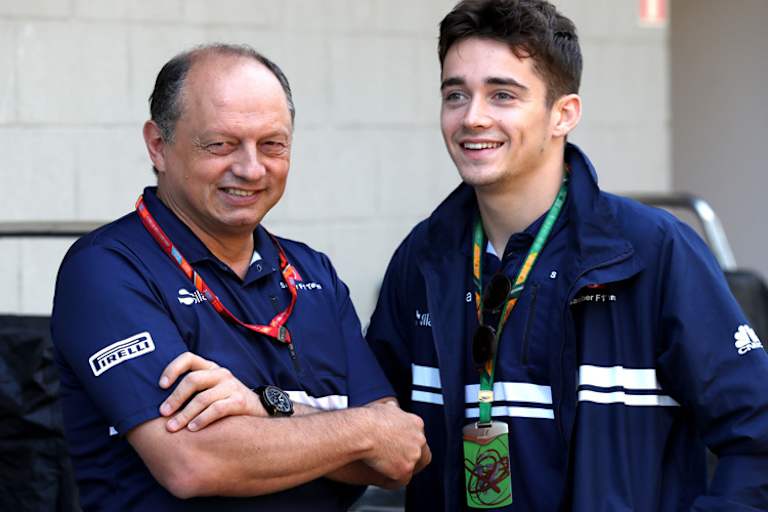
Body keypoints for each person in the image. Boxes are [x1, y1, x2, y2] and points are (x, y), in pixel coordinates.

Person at [366, 0, 768, 510]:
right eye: (455, 95)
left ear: (563, 114)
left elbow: (757, 438)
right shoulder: (422, 259)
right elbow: (367, 424)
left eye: (502, 94)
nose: (472, 117)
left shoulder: (655, 252)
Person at [51, 44, 429, 511]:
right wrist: (361, 430)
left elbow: (399, 455)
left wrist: (264, 406)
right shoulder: (106, 269)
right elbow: (193, 462)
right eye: (220, 144)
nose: (251, 168)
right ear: (158, 146)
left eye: (272, 144)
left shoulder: (314, 273)